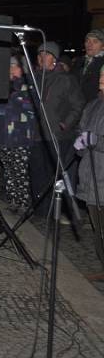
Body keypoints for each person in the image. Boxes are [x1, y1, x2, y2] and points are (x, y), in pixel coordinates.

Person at [28, 41, 85, 216]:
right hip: (37, 135)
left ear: (54, 58)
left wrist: (65, 123)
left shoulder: (66, 79)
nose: (41, 58)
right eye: (39, 55)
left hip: (59, 136)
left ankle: (62, 211)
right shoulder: (33, 78)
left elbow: (78, 104)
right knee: (38, 173)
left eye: (46, 54)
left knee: (58, 175)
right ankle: (41, 212)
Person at [0, 56, 38, 213]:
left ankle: (24, 202)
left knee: (20, 171)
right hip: (2, 136)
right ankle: (13, 200)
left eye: (14, 66)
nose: (11, 69)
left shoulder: (29, 86)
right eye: (9, 66)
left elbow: (32, 106)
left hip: (20, 137)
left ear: (23, 68)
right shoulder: (2, 85)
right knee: (9, 170)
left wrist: (15, 91)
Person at [74, 65, 104, 272]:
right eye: (101, 74)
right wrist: (80, 143)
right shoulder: (93, 104)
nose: (101, 78)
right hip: (90, 173)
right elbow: (81, 128)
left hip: (102, 174)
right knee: (98, 229)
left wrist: (97, 141)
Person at [73, 29, 104, 103]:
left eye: (95, 41)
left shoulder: (102, 63)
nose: (89, 44)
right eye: (87, 41)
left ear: (103, 46)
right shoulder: (78, 61)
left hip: (94, 108)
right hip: (76, 107)